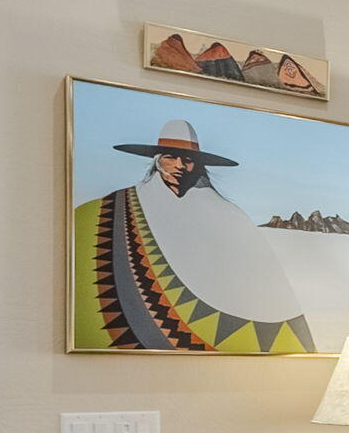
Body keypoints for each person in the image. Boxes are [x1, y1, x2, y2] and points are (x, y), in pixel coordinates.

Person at [73, 119, 314, 352]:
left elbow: (267, 291)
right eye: (170, 157)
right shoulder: (109, 210)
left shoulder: (231, 218)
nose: (179, 165)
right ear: (157, 161)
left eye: (188, 160)